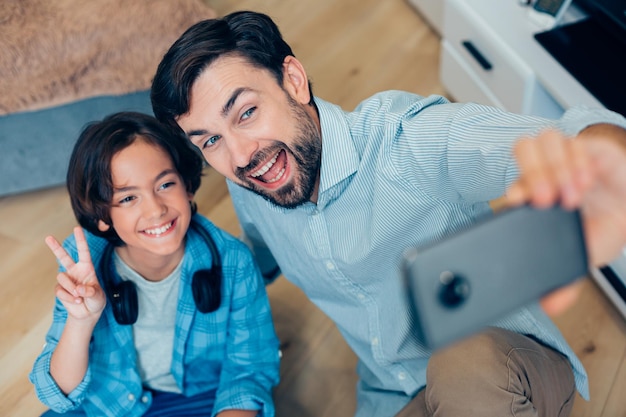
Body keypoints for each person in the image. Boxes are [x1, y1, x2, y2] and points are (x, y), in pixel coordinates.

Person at [150, 10, 626, 417]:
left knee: (460, 368)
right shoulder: (253, 186)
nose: (239, 154)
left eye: (246, 112)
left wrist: (601, 156)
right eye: (210, 139)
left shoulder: (408, 141)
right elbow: (255, 262)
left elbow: (565, 139)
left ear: (293, 81)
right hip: (390, 393)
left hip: (498, 369)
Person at [29, 112, 280, 417]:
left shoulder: (234, 262)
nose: (155, 209)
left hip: (197, 399)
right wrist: (81, 322)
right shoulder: (85, 264)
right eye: (127, 199)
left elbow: (248, 371)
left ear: (187, 186)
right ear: (101, 216)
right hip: (106, 400)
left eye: (164, 185)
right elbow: (59, 392)